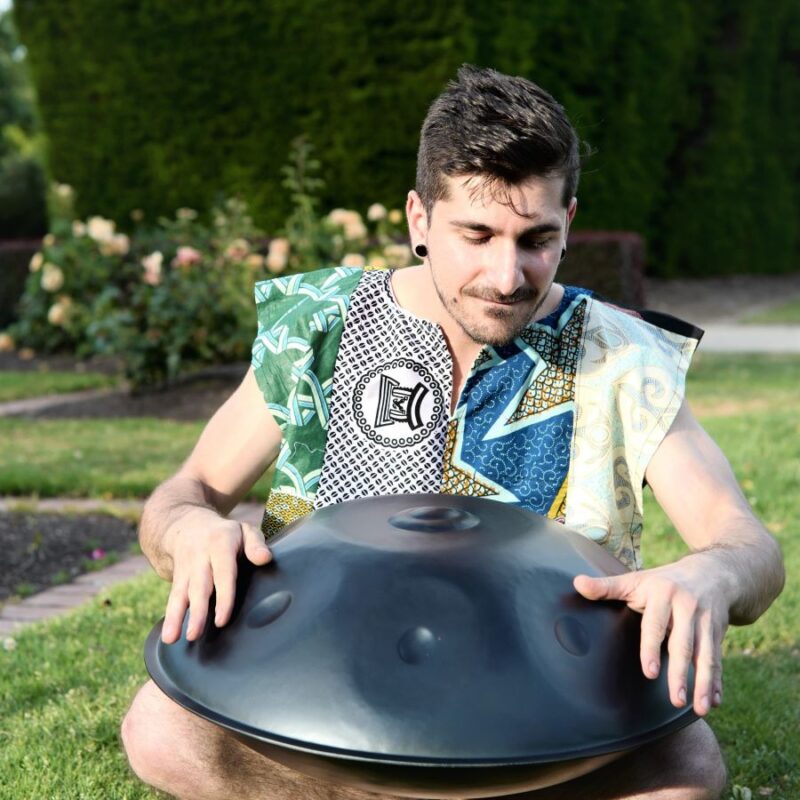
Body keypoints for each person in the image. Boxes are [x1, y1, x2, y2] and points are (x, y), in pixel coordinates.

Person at [121, 65, 785, 800]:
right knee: (161, 730)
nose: (507, 275)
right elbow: (186, 493)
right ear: (418, 220)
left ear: (569, 219)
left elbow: (747, 544)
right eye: (477, 234)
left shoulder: (621, 354)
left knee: (685, 773)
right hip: (326, 690)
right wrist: (187, 530)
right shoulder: (321, 327)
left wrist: (712, 575)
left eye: (537, 238)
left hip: (544, 710)